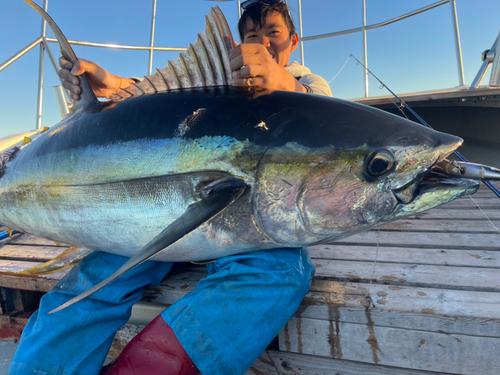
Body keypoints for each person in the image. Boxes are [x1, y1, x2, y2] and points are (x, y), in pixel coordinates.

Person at [8, 2, 331, 375]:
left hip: (251, 227)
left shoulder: (307, 84)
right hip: (158, 220)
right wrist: (112, 85)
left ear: (293, 41)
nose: (262, 43)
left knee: (280, 274)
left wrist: (283, 82)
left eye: (273, 33)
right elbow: (173, 102)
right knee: (90, 287)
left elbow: (321, 113)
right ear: (238, 44)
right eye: (252, 36)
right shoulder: (224, 84)